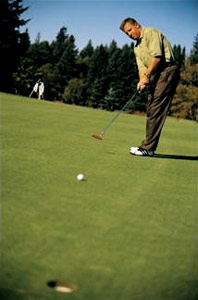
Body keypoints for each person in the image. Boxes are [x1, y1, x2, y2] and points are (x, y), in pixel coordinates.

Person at [120, 18, 180, 156]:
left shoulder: (150, 32)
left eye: (129, 30)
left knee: (156, 108)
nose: (129, 34)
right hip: (155, 74)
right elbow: (142, 67)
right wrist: (142, 80)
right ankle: (146, 146)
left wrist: (147, 76)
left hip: (167, 70)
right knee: (151, 107)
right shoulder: (136, 47)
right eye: (126, 33)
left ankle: (148, 148)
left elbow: (157, 58)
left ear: (137, 25)